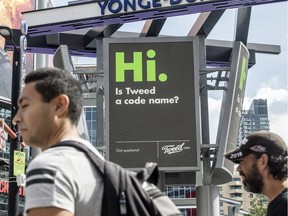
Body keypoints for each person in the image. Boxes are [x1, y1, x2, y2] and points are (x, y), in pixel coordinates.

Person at [13, 67, 104, 216]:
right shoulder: (101, 167)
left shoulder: (50, 167)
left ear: (59, 105)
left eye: (25, 106)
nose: (16, 118)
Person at [224, 131, 288, 216]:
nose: (238, 169)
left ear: (263, 161)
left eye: (242, 161)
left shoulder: (284, 205)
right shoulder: (279, 204)